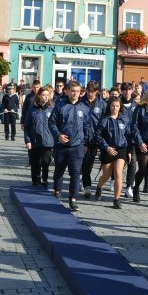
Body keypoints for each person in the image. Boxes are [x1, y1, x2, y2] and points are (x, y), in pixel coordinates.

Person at [48, 80, 94, 211]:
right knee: (59, 171)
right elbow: (51, 122)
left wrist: (85, 142)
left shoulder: (84, 108)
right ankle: (57, 191)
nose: (75, 93)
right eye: (73, 91)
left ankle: (73, 199)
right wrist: (58, 135)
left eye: (77, 91)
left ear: (81, 93)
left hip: (77, 146)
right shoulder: (60, 105)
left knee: (75, 173)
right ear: (67, 91)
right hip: (61, 146)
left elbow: (87, 126)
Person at [94, 96, 133, 209]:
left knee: (118, 173)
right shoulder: (104, 119)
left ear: (120, 106)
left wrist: (129, 151)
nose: (114, 108)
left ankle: (116, 199)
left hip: (121, 148)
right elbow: (98, 135)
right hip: (108, 149)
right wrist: (106, 147)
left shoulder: (124, 119)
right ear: (109, 106)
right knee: (106, 175)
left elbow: (128, 135)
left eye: (117, 106)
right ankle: (99, 187)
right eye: (112, 106)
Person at [80, 81, 105, 198]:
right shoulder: (81, 102)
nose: (91, 93)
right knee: (83, 162)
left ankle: (86, 185)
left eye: (93, 91)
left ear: (97, 91)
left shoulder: (102, 104)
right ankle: (86, 184)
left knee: (89, 163)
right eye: (89, 91)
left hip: (95, 138)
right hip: (82, 138)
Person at [24, 86, 54, 185]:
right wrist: (28, 140)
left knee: (45, 163)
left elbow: (55, 125)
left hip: (48, 142)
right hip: (35, 141)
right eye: (43, 95)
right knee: (35, 163)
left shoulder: (51, 109)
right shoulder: (32, 110)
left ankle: (45, 180)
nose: (45, 97)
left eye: (47, 95)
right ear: (39, 96)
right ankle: (35, 181)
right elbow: (27, 126)